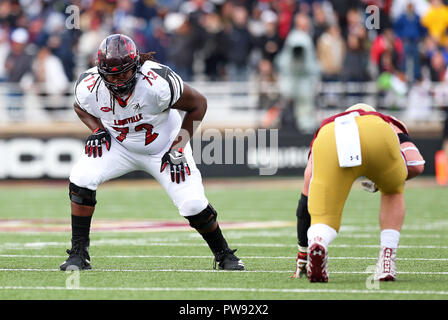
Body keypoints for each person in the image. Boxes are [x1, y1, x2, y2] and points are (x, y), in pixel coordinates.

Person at [59, 34, 245, 271]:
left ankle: (224, 254)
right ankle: (78, 254)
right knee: (81, 178)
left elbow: (199, 104)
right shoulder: (89, 86)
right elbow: (79, 106)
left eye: (123, 74)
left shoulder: (157, 82)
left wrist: (178, 147)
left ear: (136, 66)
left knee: (193, 204)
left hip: (164, 147)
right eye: (111, 75)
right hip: (119, 145)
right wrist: (97, 129)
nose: (117, 81)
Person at [291, 103, 425, 282]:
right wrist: (384, 180)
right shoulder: (386, 121)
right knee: (393, 190)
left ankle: (319, 240)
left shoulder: (328, 126)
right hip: (377, 133)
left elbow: (305, 201)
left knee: (323, 215)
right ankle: (386, 261)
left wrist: (302, 255)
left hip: (332, 138)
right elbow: (416, 165)